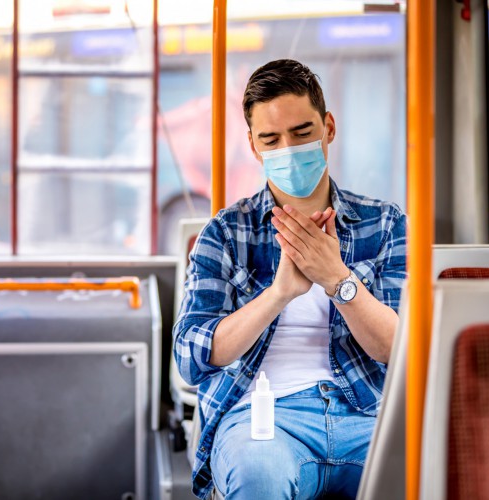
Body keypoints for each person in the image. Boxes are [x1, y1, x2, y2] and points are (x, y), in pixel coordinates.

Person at [173, 59, 407, 499]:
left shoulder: (387, 224)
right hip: (262, 419)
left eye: (302, 134)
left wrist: (337, 279)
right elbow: (191, 357)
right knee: (258, 482)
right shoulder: (225, 234)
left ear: (328, 128)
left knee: (427, 475)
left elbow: (401, 347)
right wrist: (278, 294)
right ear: (254, 146)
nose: (288, 150)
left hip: (367, 412)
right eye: (271, 139)